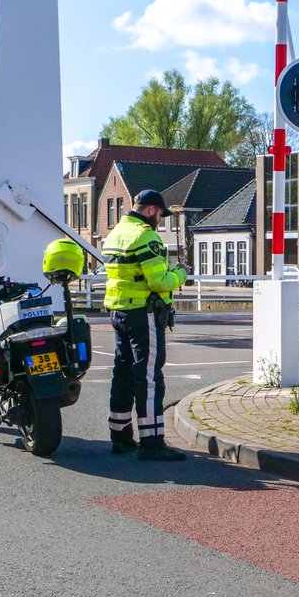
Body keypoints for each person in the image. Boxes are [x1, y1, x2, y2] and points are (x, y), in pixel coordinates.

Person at [103, 189, 189, 461]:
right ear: (152, 210)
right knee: (149, 376)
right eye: (159, 216)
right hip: (144, 313)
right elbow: (159, 281)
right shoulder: (145, 235)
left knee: (123, 372)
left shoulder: (116, 232)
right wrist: (181, 273)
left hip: (118, 311)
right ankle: (152, 442)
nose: (159, 221)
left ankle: (120, 434)